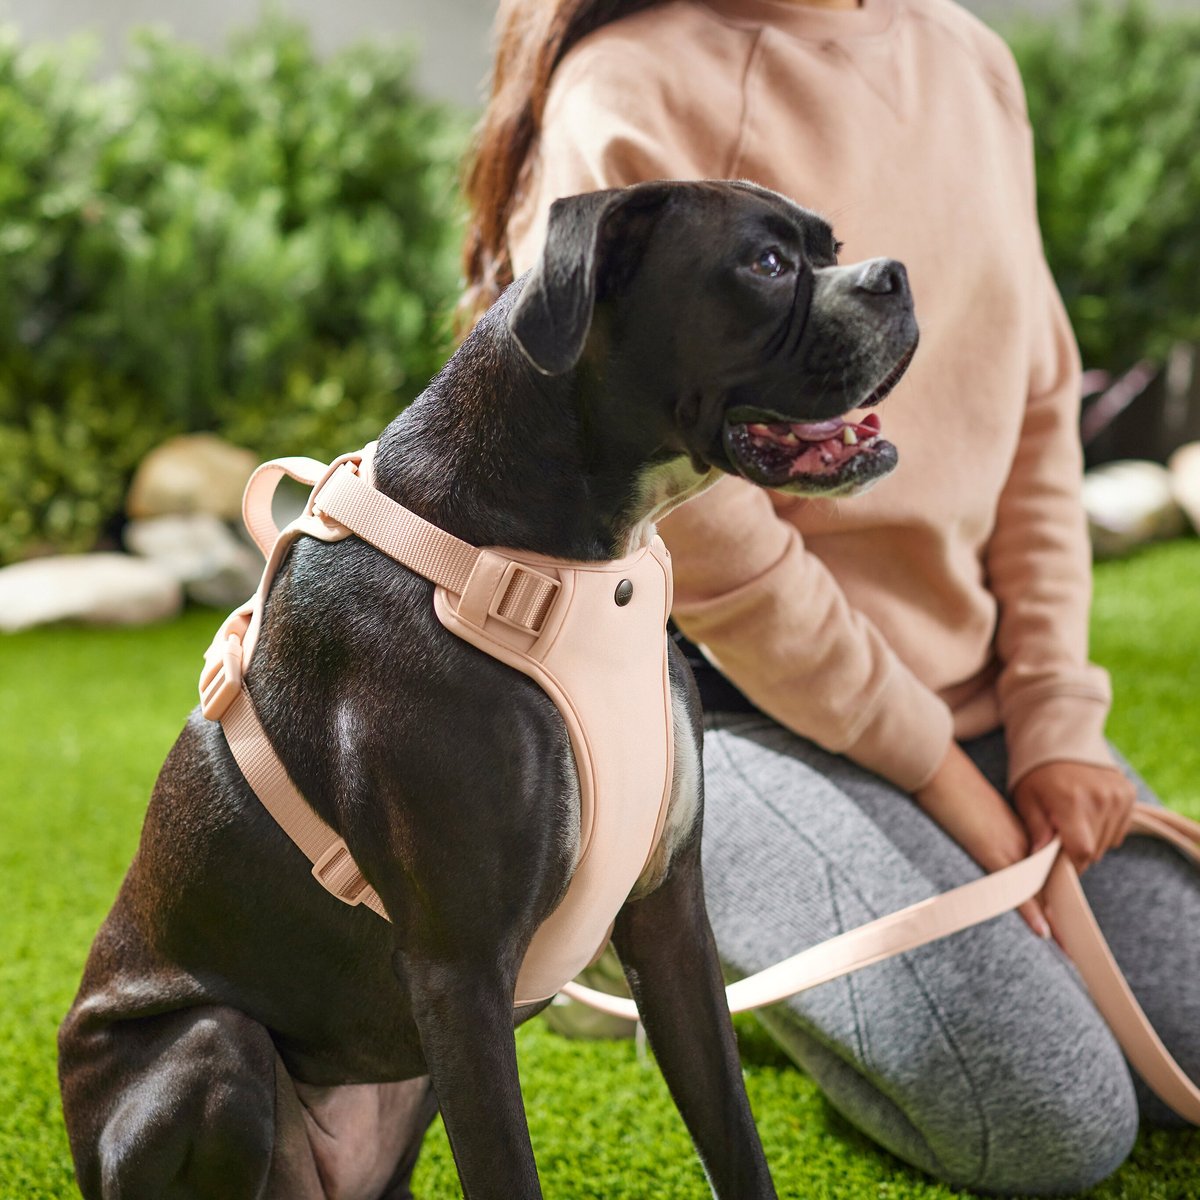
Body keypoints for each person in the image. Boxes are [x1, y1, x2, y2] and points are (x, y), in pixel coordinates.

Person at [460, 0, 1200, 1192]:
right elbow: (709, 543)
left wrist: (1057, 721)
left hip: (968, 700)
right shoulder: (630, 89)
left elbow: (1035, 408)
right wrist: (945, 780)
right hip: (721, 715)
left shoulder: (968, 58)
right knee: (1056, 1121)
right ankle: (667, 931)